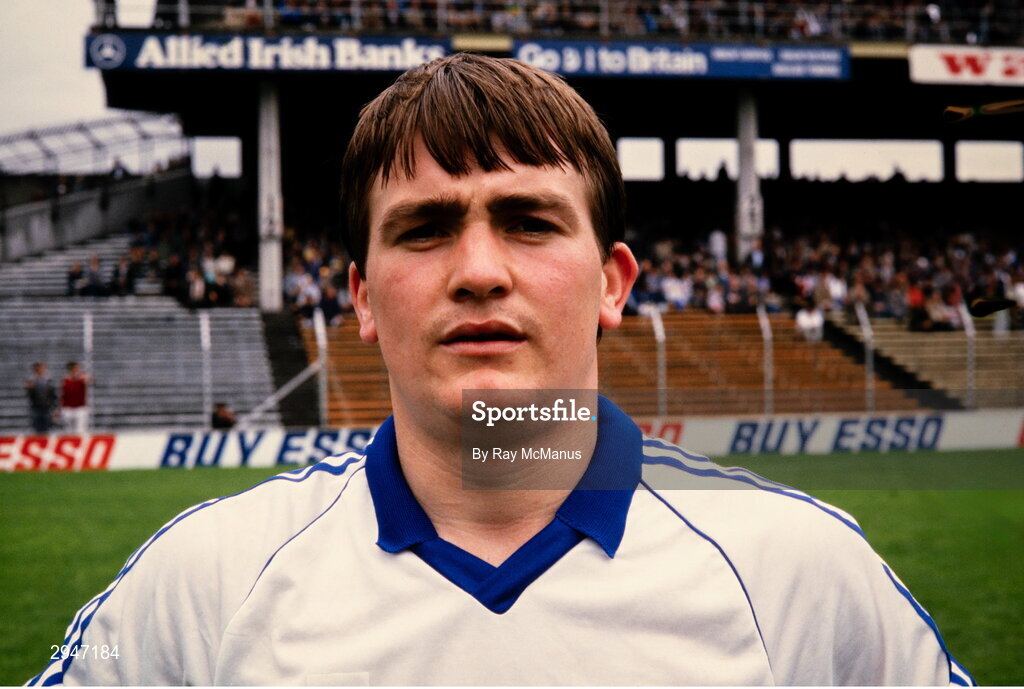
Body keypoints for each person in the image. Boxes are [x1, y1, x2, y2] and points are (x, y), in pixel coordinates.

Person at [32, 54, 973, 686]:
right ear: (360, 296)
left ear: (613, 283)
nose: (480, 270)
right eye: (426, 228)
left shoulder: (807, 578)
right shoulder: (200, 584)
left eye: (529, 221)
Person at [60, 362, 93, 434]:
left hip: (80, 407)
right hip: (67, 407)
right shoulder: (65, 379)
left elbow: (92, 382)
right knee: (68, 431)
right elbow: (63, 394)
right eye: (74, 368)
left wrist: (86, 378)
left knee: (80, 430)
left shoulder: (82, 378)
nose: (76, 370)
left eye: (77, 368)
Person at [25, 362, 58, 434]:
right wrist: (30, 388)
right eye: (39, 369)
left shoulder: (49, 381)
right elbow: (29, 396)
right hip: (35, 408)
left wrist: (54, 408)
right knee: (36, 429)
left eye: (42, 368)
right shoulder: (31, 381)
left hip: (46, 408)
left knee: (47, 428)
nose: (41, 370)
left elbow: (53, 396)